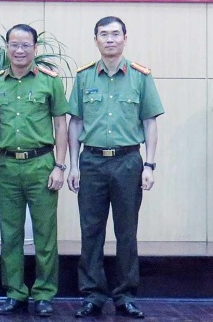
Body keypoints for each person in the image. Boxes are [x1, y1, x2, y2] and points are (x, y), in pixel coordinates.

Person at [66, 16, 164, 319]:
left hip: (128, 162)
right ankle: (92, 295)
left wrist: (149, 165)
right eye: (103, 34)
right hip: (91, 162)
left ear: (125, 38)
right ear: (95, 39)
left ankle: (124, 295)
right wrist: (73, 165)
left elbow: (150, 122)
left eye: (115, 34)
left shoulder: (140, 76)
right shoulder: (83, 77)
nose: (110, 39)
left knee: (127, 232)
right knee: (90, 231)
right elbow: (75, 123)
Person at [0, 24, 69, 318]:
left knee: (45, 234)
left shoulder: (50, 82)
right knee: (10, 234)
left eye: (25, 45)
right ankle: (15, 292)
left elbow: (61, 125)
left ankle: (44, 294)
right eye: (14, 45)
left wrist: (59, 166)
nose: (19, 50)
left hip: (42, 166)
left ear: (35, 48)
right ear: (6, 47)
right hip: (6, 167)